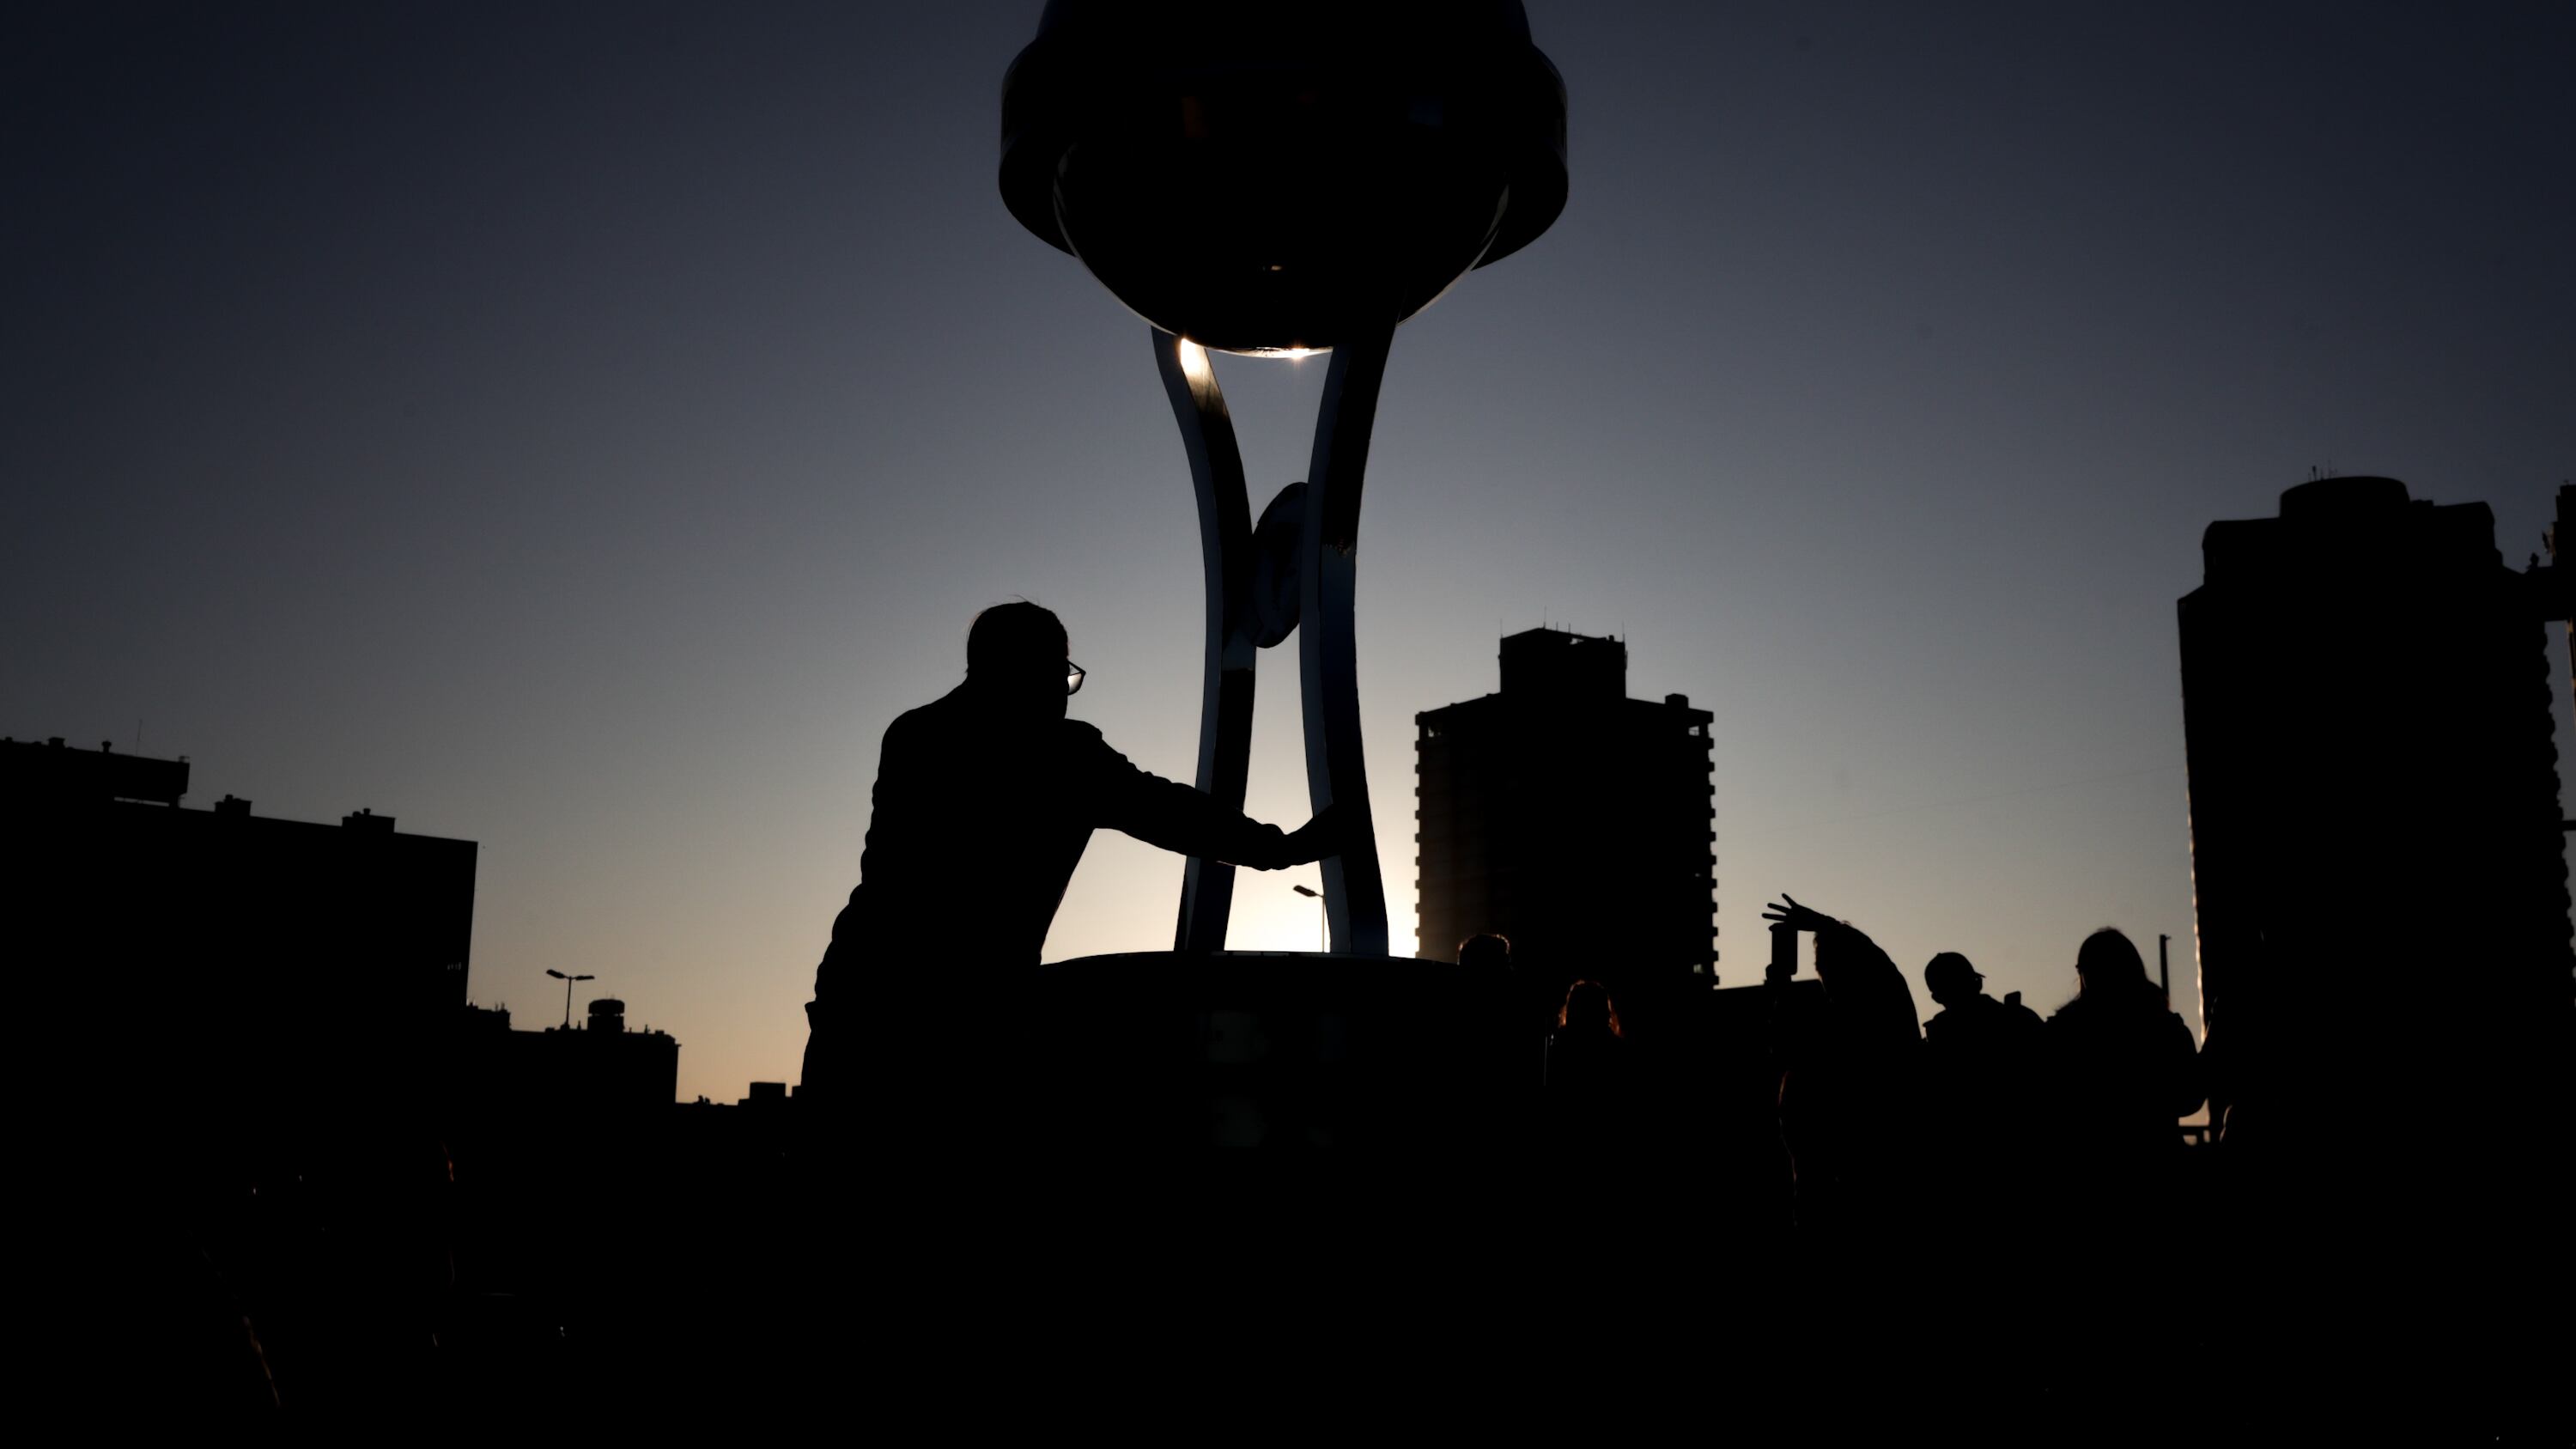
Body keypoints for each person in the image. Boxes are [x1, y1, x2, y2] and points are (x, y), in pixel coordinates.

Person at [800, 602, 1338, 1118]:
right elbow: (1167, 811)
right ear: (1029, 670)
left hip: (859, 996)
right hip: (964, 1015)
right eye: (1062, 675)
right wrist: (1280, 849)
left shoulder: (914, 733)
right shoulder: (1061, 756)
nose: (1065, 693)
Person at [1759, 894, 1923, 1241]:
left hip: (1849, 1182)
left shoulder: (1849, 1026)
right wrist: (1825, 926)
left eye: (1826, 965)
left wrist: (1780, 994)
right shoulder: (1887, 1015)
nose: (1823, 973)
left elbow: (1785, 1051)